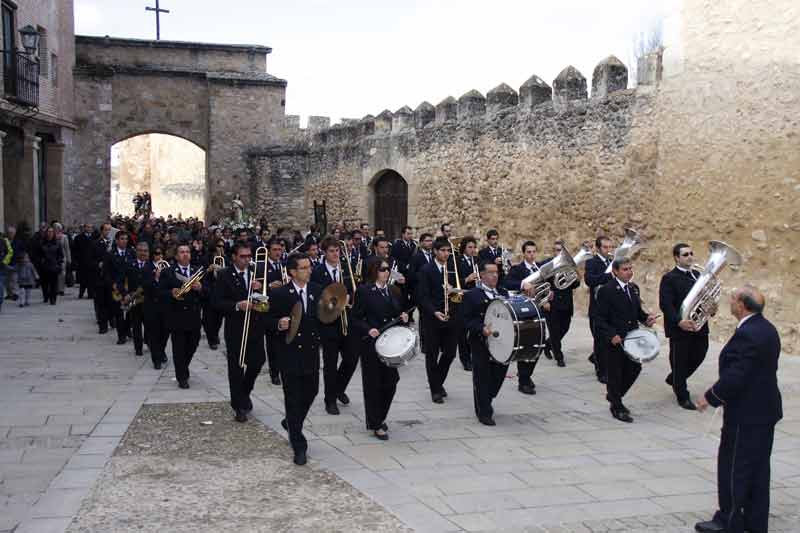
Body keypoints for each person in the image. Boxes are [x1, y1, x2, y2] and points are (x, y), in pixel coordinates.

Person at [695, 286, 782, 533]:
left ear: (742, 305)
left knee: (735, 468)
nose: (730, 302)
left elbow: (738, 374)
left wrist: (710, 397)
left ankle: (729, 521)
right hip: (764, 411)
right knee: (758, 468)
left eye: (732, 299)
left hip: (747, 414)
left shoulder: (749, 334)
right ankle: (755, 522)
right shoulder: (766, 328)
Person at [266, 253, 322, 466]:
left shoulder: (316, 290)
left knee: (312, 390)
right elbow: (265, 320)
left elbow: (323, 317)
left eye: (309, 266)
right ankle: (299, 444)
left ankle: (291, 422)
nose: (309, 270)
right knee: (292, 397)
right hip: (289, 353)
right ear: (292, 272)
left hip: (311, 351)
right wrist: (277, 324)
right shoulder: (281, 294)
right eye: (304, 267)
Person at [594, 257, 657, 423]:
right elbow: (599, 318)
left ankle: (614, 396)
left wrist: (646, 319)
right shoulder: (606, 290)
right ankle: (616, 406)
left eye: (630, 269)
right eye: (625, 269)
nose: (629, 272)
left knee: (634, 369)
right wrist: (611, 335)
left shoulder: (633, 289)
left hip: (632, 339)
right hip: (615, 340)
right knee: (615, 373)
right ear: (615, 271)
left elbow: (637, 311)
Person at [351, 258, 408, 440]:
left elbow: (396, 313)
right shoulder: (364, 291)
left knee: (391, 381)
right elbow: (355, 318)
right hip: (371, 345)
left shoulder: (393, 291)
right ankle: (376, 423)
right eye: (383, 269)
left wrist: (403, 316)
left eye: (388, 269)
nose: (386, 272)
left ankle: (379, 417)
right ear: (375, 271)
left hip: (389, 343)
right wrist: (368, 329)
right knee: (373, 384)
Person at [213, 243, 267, 423]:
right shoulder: (224, 275)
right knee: (236, 368)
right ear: (234, 257)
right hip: (236, 328)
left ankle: (244, 392)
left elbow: (265, 301)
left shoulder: (255, 272)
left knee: (258, 362)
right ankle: (239, 406)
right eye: (243, 256)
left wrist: (260, 289)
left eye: (249, 256)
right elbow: (217, 302)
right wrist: (237, 305)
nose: (247, 260)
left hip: (256, 326)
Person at [659, 242, 710, 410]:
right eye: (685, 255)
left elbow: (704, 299)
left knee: (700, 354)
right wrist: (678, 321)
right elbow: (666, 304)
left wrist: (711, 308)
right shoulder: (669, 278)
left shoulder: (698, 275)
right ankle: (682, 395)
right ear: (676, 258)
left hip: (698, 325)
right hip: (679, 327)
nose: (690, 257)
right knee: (679, 361)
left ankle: (675, 378)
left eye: (691, 253)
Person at [311, 237, 358, 415]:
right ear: (324, 252)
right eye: (331, 251)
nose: (335, 254)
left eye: (337, 250)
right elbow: (317, 299)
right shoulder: (317, 271)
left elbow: (353, 291)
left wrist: (353, 299)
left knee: (352, 359)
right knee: (330, 364)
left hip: (347, 320)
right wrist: (337, 303)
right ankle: (330, 400)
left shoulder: (346, 268)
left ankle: (338, 388)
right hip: (328, 323)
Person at [463, 261, 509, 426]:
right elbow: (466, 320)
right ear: (482, 275)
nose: (495, 275)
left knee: (498, 376)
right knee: (482, 377)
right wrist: (481, 328)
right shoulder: (472, 295)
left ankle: (486, 399)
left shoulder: (503, 293)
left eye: (496, 272)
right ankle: (484, 412)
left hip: (501, 342)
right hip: (481, 342)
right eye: (490, 272)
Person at [416, 237, 461, 404]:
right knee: (432, 354)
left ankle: (437, 381)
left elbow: (459, 295)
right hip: (432, 318)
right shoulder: (426, 270)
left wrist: (454, 291)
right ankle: (435, 389)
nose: (446, 253)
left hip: (451, 317)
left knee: (449, 353)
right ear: (435, 251)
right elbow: (422, 296)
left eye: (448, 250)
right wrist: (434, 311)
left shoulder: (452, 269)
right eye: (443, 250)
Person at [503, 240, 551, 394]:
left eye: (533, 251)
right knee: (527, 345)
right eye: (528, 252)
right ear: (524, 253)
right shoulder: (517, 269)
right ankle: (524, 379)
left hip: (540, 312)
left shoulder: (540, 269)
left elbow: (545, 288)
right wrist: (522, 285)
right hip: (524, 312)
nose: (531, 255)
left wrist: (548, 296)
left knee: (538, 346)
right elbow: (506, 283)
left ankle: (526, 375)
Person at [161, 244, 206, 389]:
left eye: (187, 252)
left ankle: (183, 367)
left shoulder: (198, 271)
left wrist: (200, 288)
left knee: (193, 345)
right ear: (176, 256)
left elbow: (209, 293)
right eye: (181, 252)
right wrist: (171, 292)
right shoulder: (168, 272)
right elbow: (159, 292)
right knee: (179, 349)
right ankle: (182, 377)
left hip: (193, 316)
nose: (185, 254)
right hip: (176, 316)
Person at [546, 240, 580, 367]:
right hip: (552, 304)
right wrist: (544, 300)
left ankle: (548, 344)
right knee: (554, 331)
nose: (558, 252)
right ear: (553, 251)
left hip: (566, 303)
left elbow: (575, 284)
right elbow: (541, 283)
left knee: (565, 328)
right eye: (556, 250)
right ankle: (559, 356)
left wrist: (576, 274)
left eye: (560, 250)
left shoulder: (568, 265)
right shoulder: (548, 265)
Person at [584, 236, 614, 383]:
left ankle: (597, 359)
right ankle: (601, 372)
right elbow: (590, 280)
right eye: (605, 247)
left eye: (610, 247)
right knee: (600, 341)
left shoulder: (613, 262)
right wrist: (609, 276)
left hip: (612, 309)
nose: (609, 250)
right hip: (597, 308)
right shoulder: (591, 262)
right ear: (597, 248)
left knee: (608, 340)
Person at [105, 231, 135, 345]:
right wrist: (112, 283)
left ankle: (127, 330)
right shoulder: (110, 254)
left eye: (126, 239)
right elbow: (106, 272)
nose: (124, 241)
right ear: (117, 240)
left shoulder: (131, 252)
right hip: (117, 287)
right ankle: (121, 335)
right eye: (122, 239)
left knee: (130, 312)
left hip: (129, 286)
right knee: (118, 313)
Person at [456, 237, 480, 371]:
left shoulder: (476, 260)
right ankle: (465, 359)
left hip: (475, 297)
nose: (472, 250)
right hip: (462, 298)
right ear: (464, 248)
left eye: (474, 247)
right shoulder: (457, 261)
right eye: (470, 247)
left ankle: (473, 355)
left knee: (474, 328)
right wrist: (467, 278)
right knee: (462, 331)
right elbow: (453, 280)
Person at [142, 247, 169, 369]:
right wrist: (156, 278)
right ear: (153, 255)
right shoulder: (147, 268)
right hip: (152, 305)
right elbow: (146, 286)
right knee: (154, 334)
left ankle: (161, 351)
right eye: (157, 254)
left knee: (165, 332)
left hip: (165, 305)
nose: (159, 256)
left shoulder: (167, 267)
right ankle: (156, 359)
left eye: (161, 254)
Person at [123, 242, 150, 356]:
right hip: (134, 300)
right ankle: (138, 348)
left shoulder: (153, 265)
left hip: (149, 301)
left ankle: (149, 342)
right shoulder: (129, 264)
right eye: (140, 250)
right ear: (136, 251)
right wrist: (126, 294)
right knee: (136, 325)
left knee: (149, 325)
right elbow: (122, 280)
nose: (143, 253)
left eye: (145, 251)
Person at [93, 223, 114, 334]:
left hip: (111, 278)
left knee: (111, 302)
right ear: (102, 231)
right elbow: (90, 260)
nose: (108, 232)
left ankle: (112, 320)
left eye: (109, 230)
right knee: (101, 303)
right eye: (106, 230)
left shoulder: (113, 245)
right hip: (100, 278)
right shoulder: (96, 244)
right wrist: (98, 264)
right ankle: (103, 325)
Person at [39, 227, 64, 305]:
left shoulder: (57, 243)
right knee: (45, 284)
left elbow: (60, 255)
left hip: (54, 266)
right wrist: (41, 261)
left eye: (51, 232)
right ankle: (46, 296)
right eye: (48, 232)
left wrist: (58, 263)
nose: (50, 233)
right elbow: (37, 254)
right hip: (44, 266)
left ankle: (53, 299)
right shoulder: (41, 243)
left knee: (54, 284)